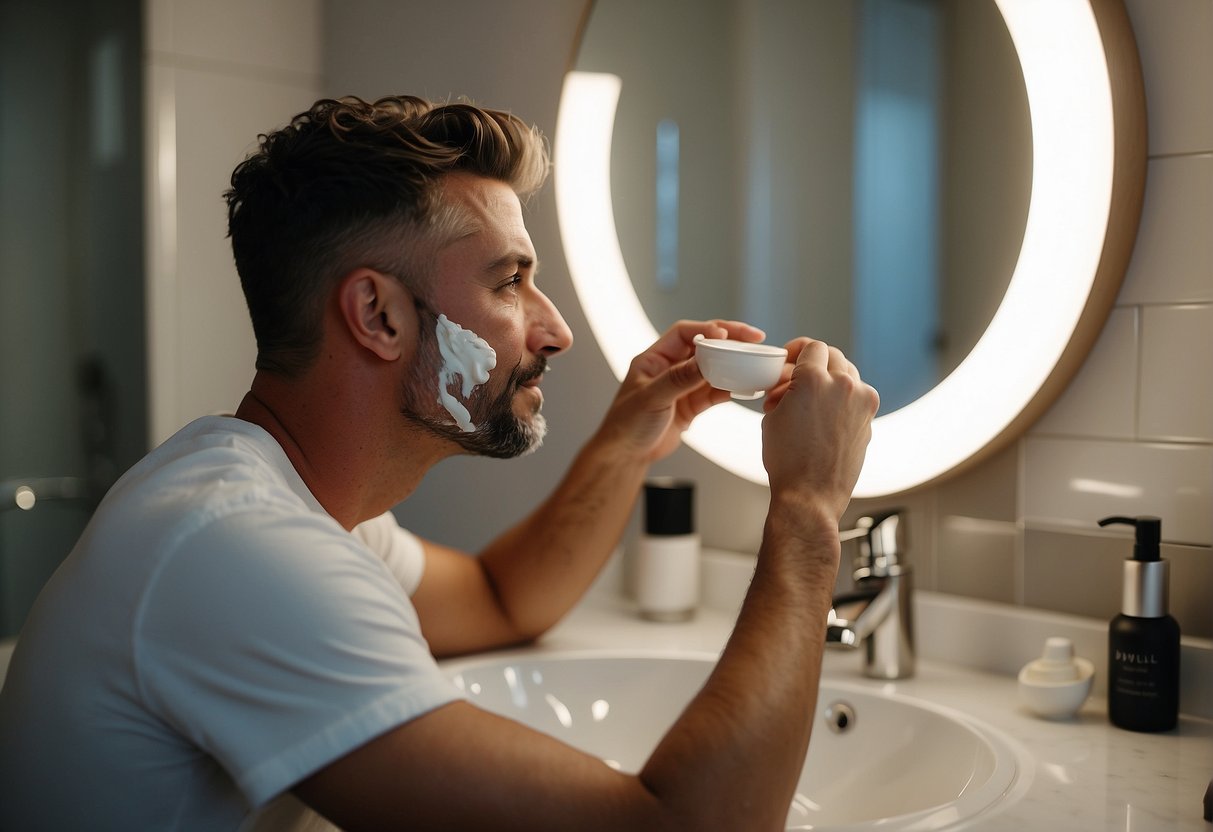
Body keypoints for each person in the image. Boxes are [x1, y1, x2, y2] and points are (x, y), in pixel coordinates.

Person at [0, 95, 879, 830]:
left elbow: (503, 601)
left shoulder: (274, 499)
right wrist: (805, 510)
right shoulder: (237, 551)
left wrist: (628, 438)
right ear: (377, 316)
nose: (556, 329)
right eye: (509, 282)